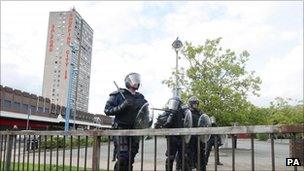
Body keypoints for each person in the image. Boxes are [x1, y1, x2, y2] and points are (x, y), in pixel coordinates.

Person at [104, 72, 147, 171]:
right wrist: (122, 106)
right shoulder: (117, 94)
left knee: (130, 158)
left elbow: (146, 113)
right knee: (123, 158)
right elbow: (107, 110)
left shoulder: (141, 98)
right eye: (133, 79)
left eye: (137, 80)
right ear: (128, 81)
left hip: (135, 131)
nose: (136, 82)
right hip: (121, 130)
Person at [158, 97, 191, 171]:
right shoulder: (167, 112)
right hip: (172, 138)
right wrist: (171, 115)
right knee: (170, 157)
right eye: (173, 102)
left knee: (184, 157)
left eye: (176, 103)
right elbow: (164, 125)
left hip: (182, 137)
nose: (174, 104)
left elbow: (188, 122)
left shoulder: (183, 112)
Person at [186, 96, 208, 171]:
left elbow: (205, 122)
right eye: (194, 103)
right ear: (190, 104)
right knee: (189, 155)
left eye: (196, 103)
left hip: (200, 137)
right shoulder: (187, 112)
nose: (196, 105)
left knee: (201, 155)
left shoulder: (200, 112)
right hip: (191, 138)